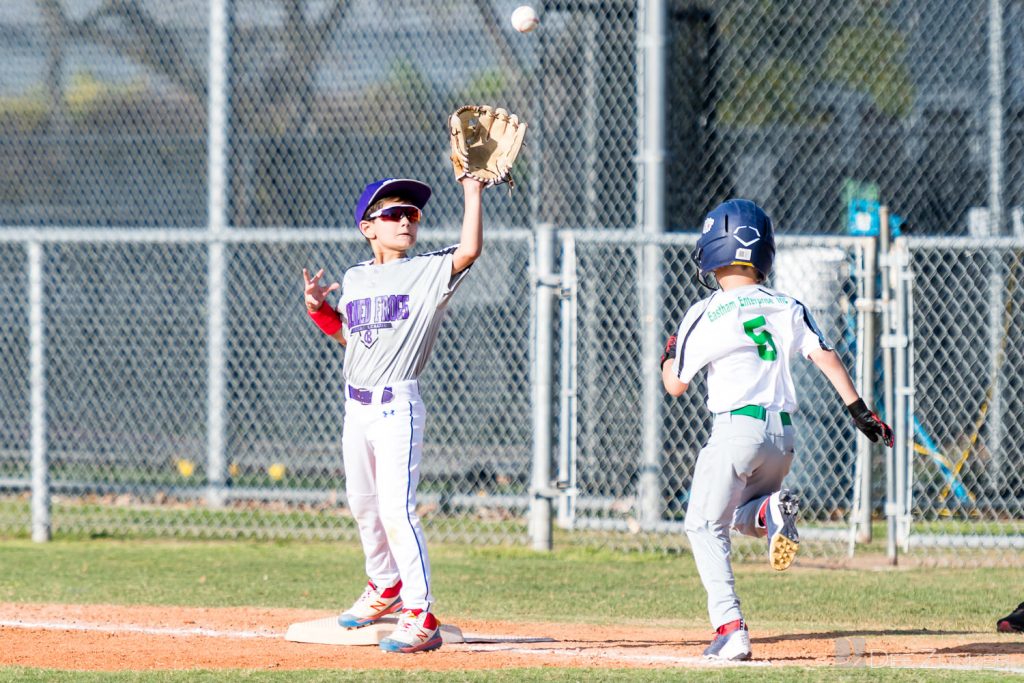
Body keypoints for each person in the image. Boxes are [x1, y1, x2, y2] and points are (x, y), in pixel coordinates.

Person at [660, 198, 894, 661]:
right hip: (782, 437)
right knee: (740, 514)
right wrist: (860, 412)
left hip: (735, 431)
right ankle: (769, 511)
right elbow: (825, 357)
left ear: (712, 253)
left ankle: (730, 629)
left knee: (703, 527)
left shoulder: (705, 312)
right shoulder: (787, 304)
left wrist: (667, 353)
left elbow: (676, 386)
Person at [303, 175, 485, 653]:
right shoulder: (357, 277)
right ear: (368, 227)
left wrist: (472, 191)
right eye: (394, 213)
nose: (406, 220)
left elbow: (468, 250)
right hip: (355, 407)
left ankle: (420, 613)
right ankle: (385, 586)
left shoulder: (426, 271)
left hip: (396, 406)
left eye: (413, 214)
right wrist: (320, 311)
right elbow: (353, 337)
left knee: (396, 510)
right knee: (363, 504)